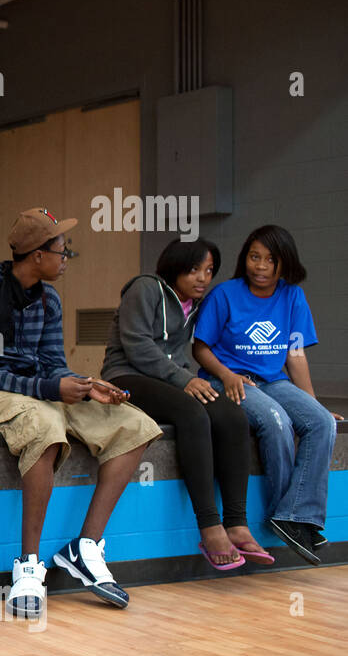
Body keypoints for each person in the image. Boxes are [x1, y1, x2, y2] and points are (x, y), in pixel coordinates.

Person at [0, 207, 162, 617]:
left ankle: (85, 548)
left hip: (39, 389)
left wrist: (86, 385)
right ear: (36, 255)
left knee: (136, 424)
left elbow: (52, 363)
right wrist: (52, 388)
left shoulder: (49, 298)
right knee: (47, 425)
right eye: (61, 251)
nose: (66, 258)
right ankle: (29, 567)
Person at [101, 240, 266, 569]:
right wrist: (184, 380)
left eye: (208, 271)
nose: (203, 278)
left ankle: (236, 523)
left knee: (232, 416)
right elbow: (138, 347)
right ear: (174, 266)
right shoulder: (145, 289)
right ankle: (209, 526)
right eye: (194, 270)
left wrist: (230, 375)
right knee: (192, 413)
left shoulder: (194, 303)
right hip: (126, 377)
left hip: (168, 380)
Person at [193, 224, 341, 564]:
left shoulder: (292, 297)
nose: (259, 266)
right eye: (254, 257)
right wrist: (228, 375)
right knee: (275, 420)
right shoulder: (225, 294)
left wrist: (313, 404)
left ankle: (295, 515)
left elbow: (296, 354)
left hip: (273, 380)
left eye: (269, 260)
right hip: (228, 378)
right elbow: (200, 348)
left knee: (322, 423)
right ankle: (287, 514)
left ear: (284, 263)